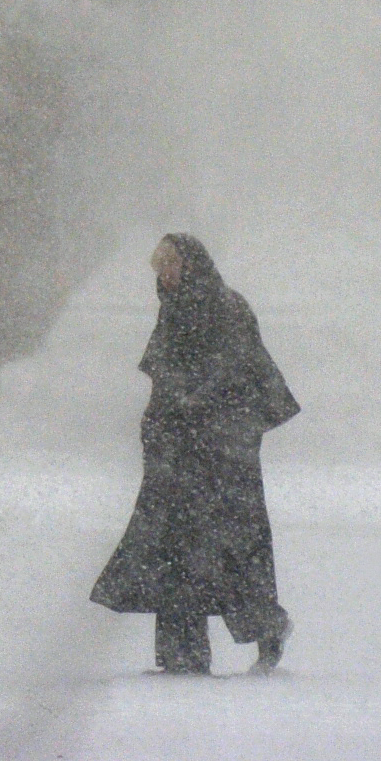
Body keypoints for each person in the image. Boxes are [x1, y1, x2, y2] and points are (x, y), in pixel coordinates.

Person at [92, 233, 299, 675]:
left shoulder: (225, 308)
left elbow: (238, 371)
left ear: (192, 266)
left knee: (233, 548)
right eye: (160, 268)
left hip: (222, 455)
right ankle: (181, 654)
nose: (165, 275)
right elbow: (165, 378)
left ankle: (267, 628)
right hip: (180, 452)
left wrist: (198, 406)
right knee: (176, 552)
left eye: (171, 266)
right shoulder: (174, 311)